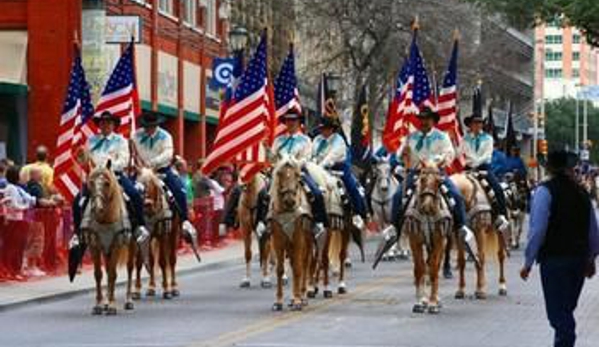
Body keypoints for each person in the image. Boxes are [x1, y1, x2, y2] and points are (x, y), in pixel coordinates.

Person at [520, 149, 599, 347]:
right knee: (566, 308)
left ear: (550, 169)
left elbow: (537, 230)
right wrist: (590, 260)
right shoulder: (582, 194)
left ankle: (565, 342)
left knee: (558, 314)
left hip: (554, 260)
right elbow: (593, 231)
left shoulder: (544, 191)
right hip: (578, 260)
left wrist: (528, 262)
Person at [388, 108, 478, 258]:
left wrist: (434, 162)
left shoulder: (441, 136)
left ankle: (461, 227)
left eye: (427, 119)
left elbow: (450, 153)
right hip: (416, 173)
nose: (423, 122)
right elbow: (399, 155)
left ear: (433, 121)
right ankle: (394, 228)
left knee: (455, 194)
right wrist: (402, 152)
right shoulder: (411, 137)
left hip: (436, 173)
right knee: (398, 196)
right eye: (422, 119)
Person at [73, 111, 149, 244]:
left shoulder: (121, 141)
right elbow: (86, 162)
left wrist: (107, 169)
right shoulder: (91, 140)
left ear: (114, 125)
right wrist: (82, 158)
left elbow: (124, 160)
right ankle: (77, 234)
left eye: (108, 122)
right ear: (99, 125)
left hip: (115, 176)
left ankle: (139, 226)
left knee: (134, 194)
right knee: (78, 201)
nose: (105, 125)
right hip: (95, 177)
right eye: (102, 123)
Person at [133, 111, 196, 241]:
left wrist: (152, 163)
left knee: (179, 190)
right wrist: (137, 163)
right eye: (146, 126)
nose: (149, 129)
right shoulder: (136, 135)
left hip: (162, 170)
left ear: (157, 125)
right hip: (141, 171)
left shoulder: (165, 136)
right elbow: (133, 151)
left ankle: (184, 222)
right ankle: (132, 225)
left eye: (152, 126)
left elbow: (168, 153)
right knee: (129, 192)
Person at [267, 109, 328, 234]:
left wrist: (294, 164)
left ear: (299, 122)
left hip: (299, 171)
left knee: (316, 192)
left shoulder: (305, 140)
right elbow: (272, 158)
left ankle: (318, 221)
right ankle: (264, 223)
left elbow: (307, 157)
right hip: (281, 173)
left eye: (294, 120)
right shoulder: (278, 140)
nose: (291, 123)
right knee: (263, 194)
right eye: (288, 120)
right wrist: (267, 151)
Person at [312, 116, 367, 228]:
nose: (323, 131)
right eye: (322, 128)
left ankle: (358, 213)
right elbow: (312, 154)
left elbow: (332, 156)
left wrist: (319, 167)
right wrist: (313, 166)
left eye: (326, 128)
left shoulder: (339, 140)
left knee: (351, 186)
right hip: (317, 169)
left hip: (338, 169)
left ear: (332, 129)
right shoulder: (317, 140)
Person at [460, 114, 510, 232]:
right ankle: (458, 219)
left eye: (480, 123)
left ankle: (502, 216)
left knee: (497, 188)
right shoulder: (464, 139)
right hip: (468, 167)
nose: (478, 125)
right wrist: (471, 163)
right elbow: (464, 152)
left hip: (484, 167)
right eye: (475, 123)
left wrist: (476, 162)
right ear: (470, 125)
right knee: (457, 188)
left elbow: (487, 154)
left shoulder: (488, 138)